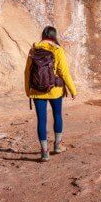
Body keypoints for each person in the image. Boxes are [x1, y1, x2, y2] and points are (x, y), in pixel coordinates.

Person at [24, 26, 77, 161]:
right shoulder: (57, 50)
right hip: (55, 91)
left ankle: (44, 152)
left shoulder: (34, 49)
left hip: (36, 91)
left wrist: (27, 91)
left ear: (43, 35)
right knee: (57, 115)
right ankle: (57, 146)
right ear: (54, 36)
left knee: (42, 120)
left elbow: (27, 72)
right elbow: (64, 72)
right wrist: (73, 90)